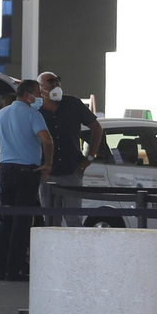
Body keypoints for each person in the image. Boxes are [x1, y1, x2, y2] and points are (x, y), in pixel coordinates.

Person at [0, 78, 53, 282]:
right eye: (38, 93)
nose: (40, 97)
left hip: (6, 172)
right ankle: (15, 270)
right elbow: (47, 140)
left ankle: (0, 269)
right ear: (28, 94)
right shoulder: (33, 114)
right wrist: (47, 164)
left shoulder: (1, 114)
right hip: (27, 173)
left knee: (5, 222)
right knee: (21, 222)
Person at [37, 71, 102, 227]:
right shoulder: (35, 110)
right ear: (41, 89)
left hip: (72, 170)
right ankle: (53, 251)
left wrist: (90, 157)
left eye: (57, 81)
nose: (56, 85)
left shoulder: (72, 104)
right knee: (51, 220)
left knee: (73, 219)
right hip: (47, 173)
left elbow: (97, 128)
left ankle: (75, 251)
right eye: (50, 82)